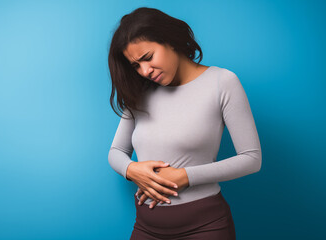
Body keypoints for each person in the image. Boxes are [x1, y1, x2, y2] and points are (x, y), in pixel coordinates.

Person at [107, 7, 261, 240]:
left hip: (206, 228)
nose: (145, 71)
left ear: (170, 40)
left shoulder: (222, 82)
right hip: (146, 227)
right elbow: (117, 151)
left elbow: (251, 159)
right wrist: (132, 170)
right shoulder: (139, 91)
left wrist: (185, 176)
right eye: (136, 66)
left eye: (147, 57)